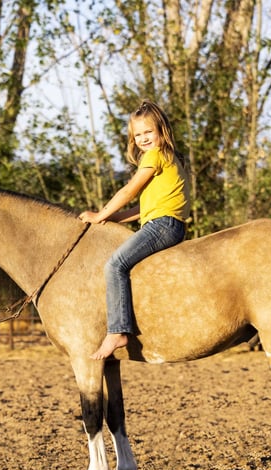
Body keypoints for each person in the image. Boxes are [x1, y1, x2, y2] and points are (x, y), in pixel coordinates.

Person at [79, 99, 190, 360]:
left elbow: (130, 191)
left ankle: (117, 331)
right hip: (166, 222)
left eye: (148, 132)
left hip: (163, 226)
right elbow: (143, 210)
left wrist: (100, 214)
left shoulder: (154, 156)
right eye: (138, 134)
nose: (143, 138)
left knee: (115, 264)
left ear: (162, 131)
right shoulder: (171, 158)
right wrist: (115, 218)